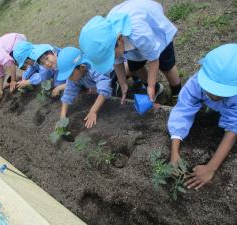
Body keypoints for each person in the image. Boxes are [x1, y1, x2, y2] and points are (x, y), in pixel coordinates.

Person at [79, 0, 181, 104]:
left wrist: (150, 85)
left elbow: (153, 59)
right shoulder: (111, 42)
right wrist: (123, 84)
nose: (113, 59)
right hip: (128, 43)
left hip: (156, 33)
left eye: (111, 56)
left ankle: (177, 92)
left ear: (119, 39)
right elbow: (117, 62)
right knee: (135, 66)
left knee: (166, 65)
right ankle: (156, 88)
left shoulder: (139, 34)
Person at [168, 44, 237, 190]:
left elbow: (233, 126)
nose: (214, 95)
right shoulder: (195, 84)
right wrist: (174, 153)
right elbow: (182, 111)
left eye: (222, 93)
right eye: (210, 89)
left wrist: (211, 168)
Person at [57, 47, 112, 128]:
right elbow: (68, 92)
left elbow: (105, 87)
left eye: (70, 75)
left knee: (112, 90)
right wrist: (62, 116)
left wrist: (93, 111)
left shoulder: (94, 68)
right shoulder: (75, 76)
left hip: (114, 79)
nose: (69, 78)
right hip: (98, 86)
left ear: (82, 67)